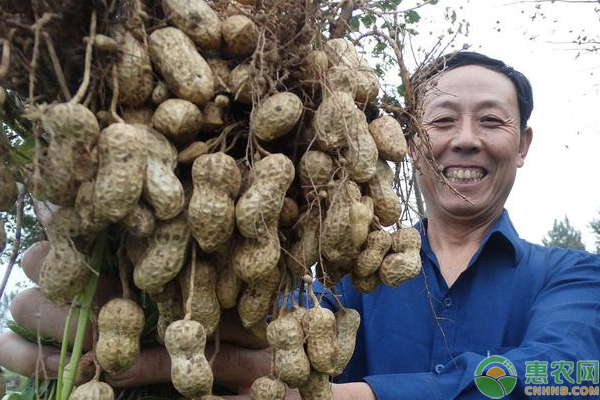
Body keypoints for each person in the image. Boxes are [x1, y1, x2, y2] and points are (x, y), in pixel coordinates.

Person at [1, 51, 599, 399]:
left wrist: (360, 396)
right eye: (442, 120)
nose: (465, 140)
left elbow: (569, 377)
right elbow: (263, 353)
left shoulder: (573, 274)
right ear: (413, 141)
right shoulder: (342, 276)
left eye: (491, 121)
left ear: (522, 145)